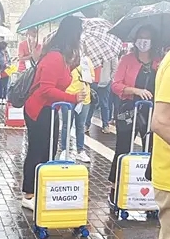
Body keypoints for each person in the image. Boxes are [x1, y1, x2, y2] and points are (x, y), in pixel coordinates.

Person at [21, 16, 86, 210]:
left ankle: (38, 188)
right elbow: (45, 89)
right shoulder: (55, 57)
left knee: (47, 150)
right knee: (37, 149)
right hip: (40, 110)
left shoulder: (61, 58)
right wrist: (72, 98)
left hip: (49, 109)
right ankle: (29, 193)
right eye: (79, 34)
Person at [108, 26, 160, 190]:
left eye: (147, 38)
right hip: (129, 109)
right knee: (123, 146)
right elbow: (115, 85)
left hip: (152, 111)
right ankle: (116, 186)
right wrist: (135, 91)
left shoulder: (159, 61)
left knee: (151, 147)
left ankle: (148, 186)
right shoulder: (127, 59)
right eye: (141, 37)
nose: (143, 41)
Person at [60, 55, 95, 163]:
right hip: (68, 96)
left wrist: (87, 78)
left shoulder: (86, 60)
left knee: (80, 125)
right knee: (67, 125)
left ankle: (80, 151)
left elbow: (93, 78)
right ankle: (64, 150)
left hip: (84, 97)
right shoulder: (66, 59)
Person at [85, 57, 119, 134]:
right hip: (92, 81)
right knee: (91, 104)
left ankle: (105, 125)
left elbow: (115, 68)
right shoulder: (91, 52)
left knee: (104, 104)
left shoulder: (111, 54)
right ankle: (86, 124)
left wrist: (109, 78)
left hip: (105, 83)